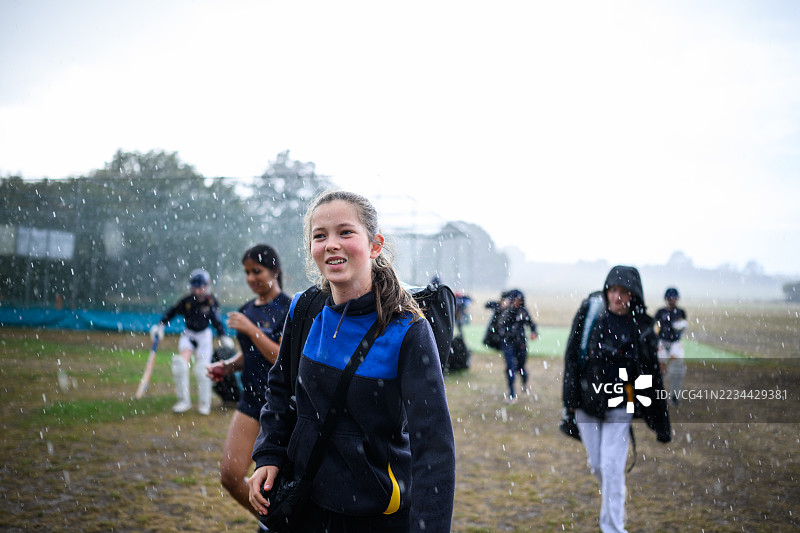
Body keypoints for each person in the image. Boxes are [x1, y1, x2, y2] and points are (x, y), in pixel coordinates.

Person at [247, 190, 456, 532]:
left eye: (345, 232)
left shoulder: (408, 330)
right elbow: (280, 388)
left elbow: (433, 448)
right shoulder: (304, 309)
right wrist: (268, 454)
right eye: (320, 235)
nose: (331, 244)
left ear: (375, 245)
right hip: (304, 502)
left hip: (375, 517)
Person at [562, 265, 670, 533]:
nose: (617, 297)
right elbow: (572, 358)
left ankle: (613, 527)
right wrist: (570, 400)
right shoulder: (591, 316)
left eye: (623, 291)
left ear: (633, 295)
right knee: (598, 465)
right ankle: (613, 502)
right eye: (612, 290)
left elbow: (652, 375)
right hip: (587, 405)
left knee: (611, 467)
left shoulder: (642, 328)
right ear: (606, 291)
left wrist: (661, 423)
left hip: (621, 406)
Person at [205, 244, 291, 523]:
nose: (251, 277)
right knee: (230, 476)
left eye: (257, 271)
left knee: (278, 481)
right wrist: (228, 365)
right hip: (251, 401)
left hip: (282, 405)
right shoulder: (246, 310)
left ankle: (283, 522)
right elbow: (252, 353)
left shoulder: (289, 309)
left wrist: (251, 330)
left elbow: (281, 355)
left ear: (275, 271)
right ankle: (272, 522)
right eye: (247, 272)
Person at [150, 268, 232, 415]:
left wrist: (223, 335)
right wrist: (160, 325)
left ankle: (204, 404)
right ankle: (183, 401)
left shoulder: (211, 301)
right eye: (196, 287)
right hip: (188, 334)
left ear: (206, 286)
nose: (199, 290)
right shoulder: (186, 301)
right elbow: (171, 312)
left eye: (201, 287)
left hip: (204, 336)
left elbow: (217, 321)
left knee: (203, 369)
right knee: (180, 363)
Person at [498, 289, 538, 403]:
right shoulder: (506, 312)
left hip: (520, 344)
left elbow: (531, 324)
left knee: (521, 367)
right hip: (508, 344)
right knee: (510, 368)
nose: (517, 302)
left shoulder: (523, 312)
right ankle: (511, 394)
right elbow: (500, 325)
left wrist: (534, 332)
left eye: (519, 300)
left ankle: (525, 382)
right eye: (515, 300)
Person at [655, 287, 688, 406]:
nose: (671, 300)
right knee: (660, 370)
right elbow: (655, 326)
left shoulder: (681, 312)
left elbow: (683, 325)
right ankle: (657, 395)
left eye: (674, 298)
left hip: (675, 343)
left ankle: (674, 396)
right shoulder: (661, 312)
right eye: (670, 298)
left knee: (676, 371)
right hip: (662, 342)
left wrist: (680, 327)